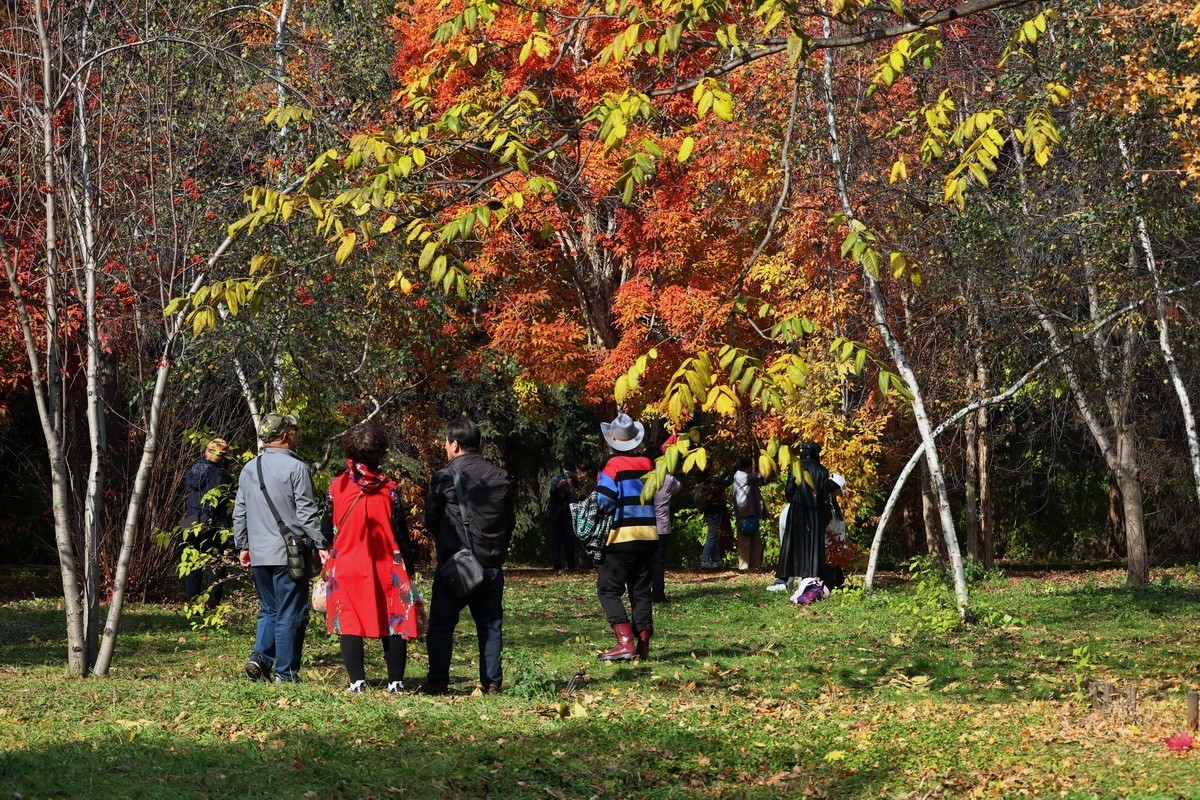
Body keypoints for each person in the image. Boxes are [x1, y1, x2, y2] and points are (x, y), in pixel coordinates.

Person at [322, 420, 419, 693]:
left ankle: (357, 681)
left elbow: (325, 528)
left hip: (347, 562)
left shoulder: (336, 487)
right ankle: (396, 681)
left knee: (349, 619)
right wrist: (409, 566)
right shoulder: (389, 488)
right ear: (380, 452)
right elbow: (400, 531)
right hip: (388, 562)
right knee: (395, 619)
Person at [233, 413, 329, 684]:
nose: (298, 434)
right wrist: (321, 543)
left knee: (269, 610)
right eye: (295, 430)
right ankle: (285, 674)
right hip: (291, 554)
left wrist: (243, 545)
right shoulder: (297, 469)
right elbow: (307, 514)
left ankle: (260, 659)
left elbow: (240, 511)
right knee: (291, 612)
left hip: (259, 552)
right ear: (286, 434)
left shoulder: (250, 468)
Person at [421, 418, 514, 695]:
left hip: (457, 565)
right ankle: (492, 682)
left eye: (447, 442)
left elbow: (429, 519)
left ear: (455, 444)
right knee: (490, 625)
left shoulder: (446, 476)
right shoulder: (500, 476)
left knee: (441, 624)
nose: (445, 447)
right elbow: (509, 521)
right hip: (491, 564)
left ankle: (438, 681)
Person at [595, 413, 659, 661]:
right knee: (641, 591)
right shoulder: (648, 463)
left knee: (608, 590)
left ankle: (624, 642)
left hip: (622, 536)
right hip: (649, 535)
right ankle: (643, 644)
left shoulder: (611, 465)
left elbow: (604, 502)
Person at [774, 441, 839, 591]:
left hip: (797, 511)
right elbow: (824, 496)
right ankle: (810, 579)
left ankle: (783, 581)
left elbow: (789, 492)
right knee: (813, 545)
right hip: (815, 513)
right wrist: (825, 515)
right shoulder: (823, 471)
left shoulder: (796, 466)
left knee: (792, 544)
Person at [182, 437, 234, 609]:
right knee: (216, 564)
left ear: (205, 452)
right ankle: (212, 605)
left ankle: (192, 603)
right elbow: (228, 502)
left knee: (192, 564)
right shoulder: (223, 476)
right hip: (215, 522)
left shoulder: (191, 471)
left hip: (191, 520)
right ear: (223, 457)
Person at [651, 470, 682, 603]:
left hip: (645, 524)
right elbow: (678, 486)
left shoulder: (645, 479)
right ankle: (658, 594)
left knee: (643, 561)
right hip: (662, 525)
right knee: (658, 562)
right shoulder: (669, 479)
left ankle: (642, 593)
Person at [731, 456, 767, 571]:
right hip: (744, 512)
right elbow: (761, 475)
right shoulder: (741, 476)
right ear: (747, 467)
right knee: (744, 542)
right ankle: (744, 567)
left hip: (750, 512)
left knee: (756, 542)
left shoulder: (746, 477)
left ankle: (754, 565)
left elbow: (762, 481)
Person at [545, 460, 577, 571]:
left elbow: (576, 497)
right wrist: (559, 487)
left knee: (569, 542)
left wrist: (570, 488)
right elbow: (552, 494)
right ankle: (556, 567)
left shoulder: (574, 481)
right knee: (555, 541)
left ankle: (571, 566)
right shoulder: (555, 479)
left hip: (567, 515)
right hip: (554, 515)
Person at [695, 468, 730, 569]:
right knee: (712, 535)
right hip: (714, 511)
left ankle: (716, 560)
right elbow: (726, 482)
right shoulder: (711, 481)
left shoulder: (704, 481)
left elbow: (721, 480)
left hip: (709, 511)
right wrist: (732, 472)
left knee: (714, 535)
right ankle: (705, 560)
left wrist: (726, 472)